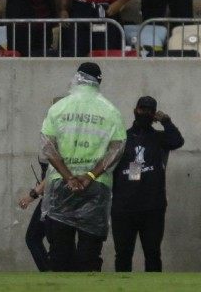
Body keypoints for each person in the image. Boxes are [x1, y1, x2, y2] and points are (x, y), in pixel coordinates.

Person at [39, 62, 126, 272]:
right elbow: (117, 148)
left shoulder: (58, 108)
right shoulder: (110, 110)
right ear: (99, 81)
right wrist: (89, 175)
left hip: (62, 184)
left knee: (60, 250)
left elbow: (47, 147)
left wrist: (69, 177)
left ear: (77, 78)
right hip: (96, 185)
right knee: (90, 252)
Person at [111, 95, 185, 273]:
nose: (145, 113)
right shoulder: (122, 138)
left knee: (152, 254)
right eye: (142, 109)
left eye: (150, 111)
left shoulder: (160, 138)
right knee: (122, 255)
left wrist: (166, 121)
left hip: (152, 208)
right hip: (123, 208)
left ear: (154, 115)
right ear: (135, 111)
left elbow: (177, 141)